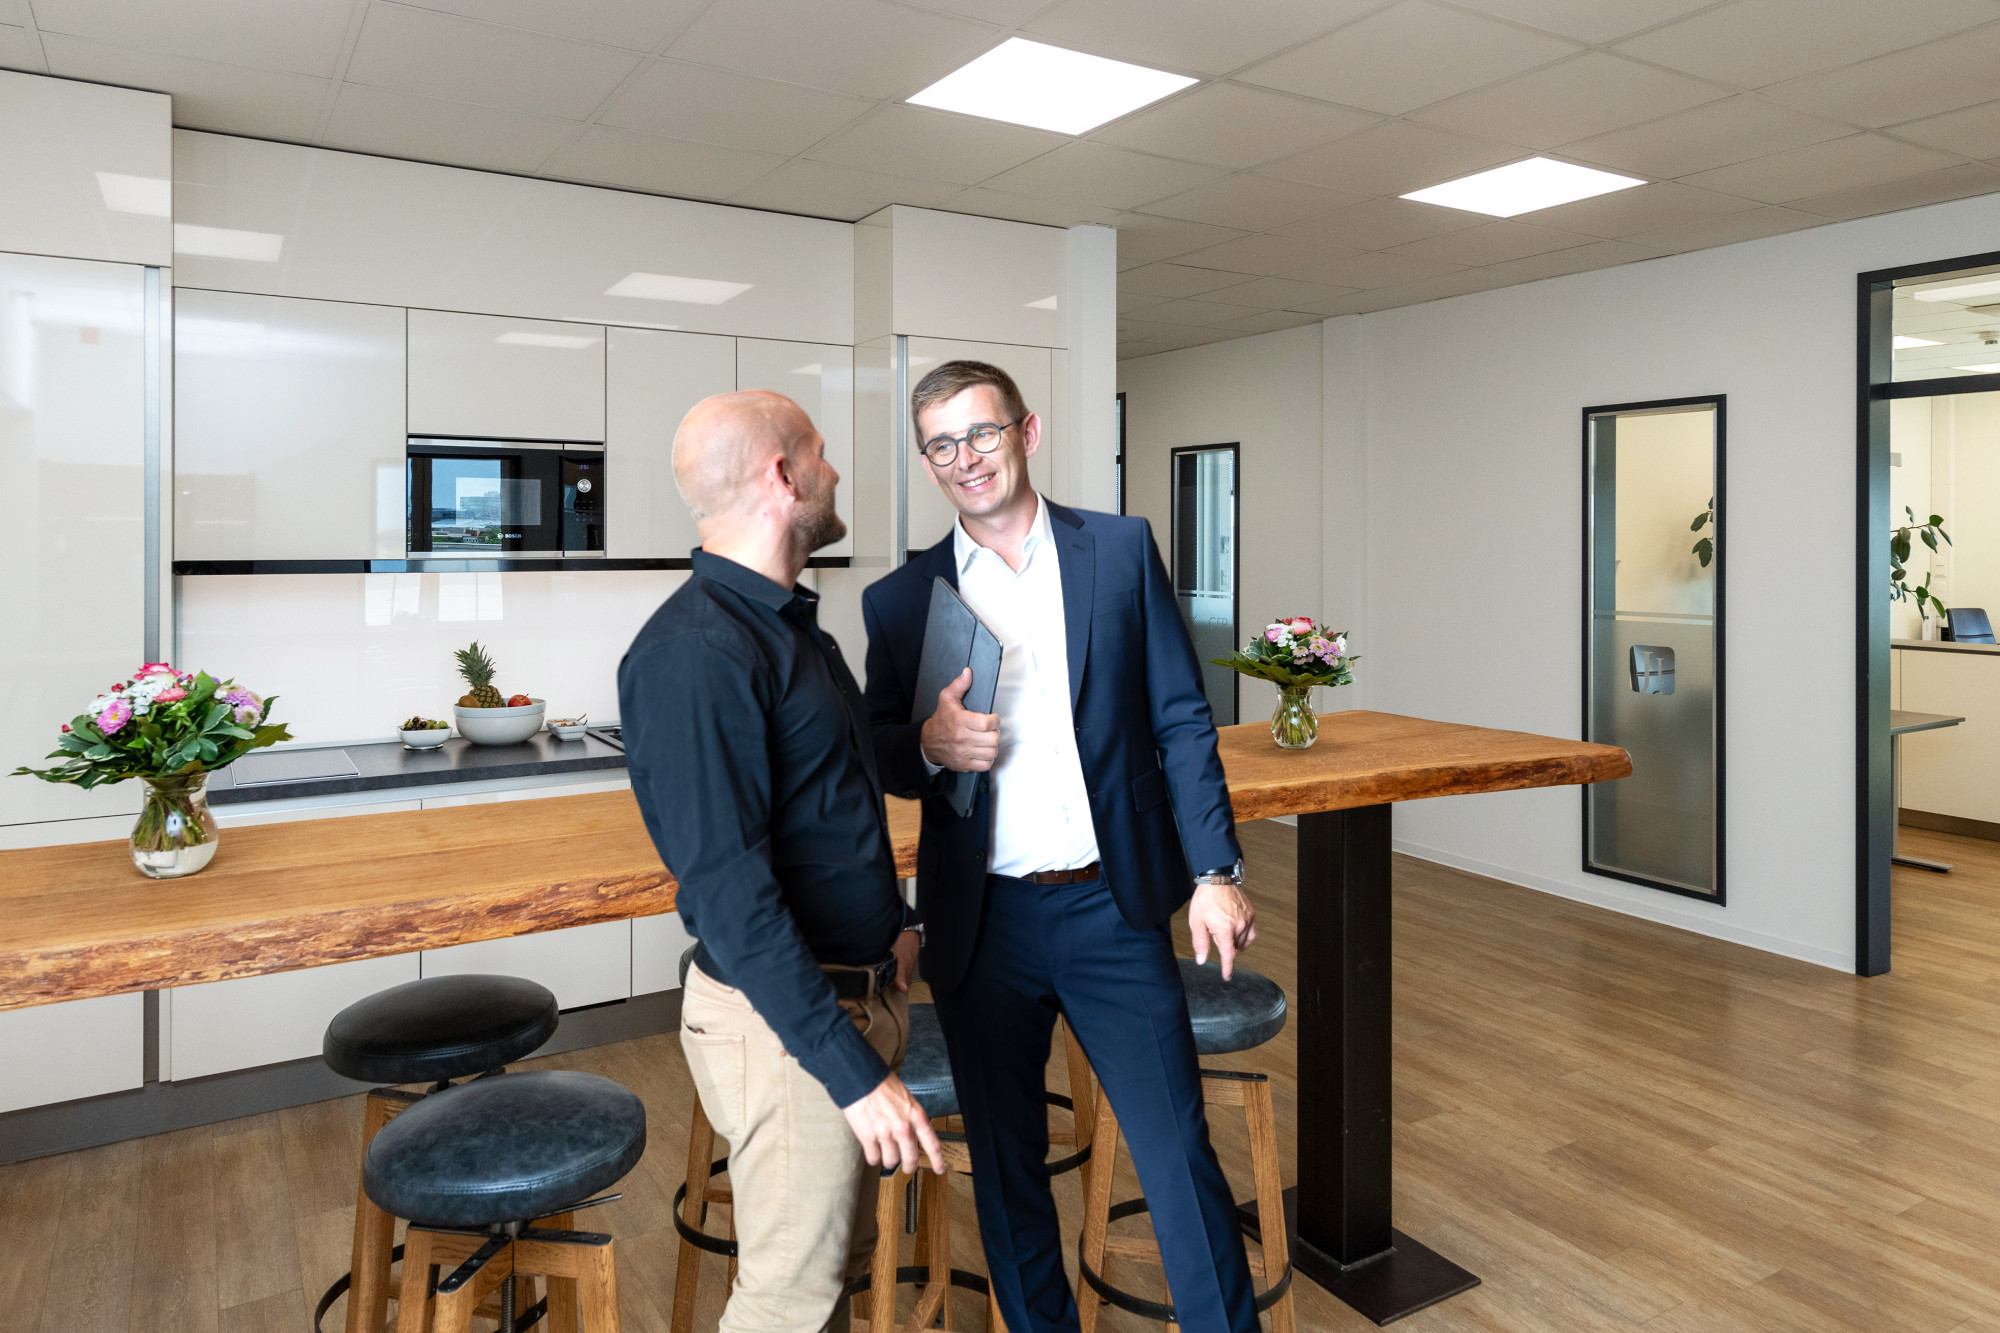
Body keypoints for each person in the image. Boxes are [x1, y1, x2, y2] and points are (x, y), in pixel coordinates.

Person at [861, 361, 1261, 1332]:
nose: (964, 458)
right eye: (941, 444)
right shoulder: (900, 598)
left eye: (981, 433)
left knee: (1177, 1158)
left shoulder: (1116, 552)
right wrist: (926, 742)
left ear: (1026, 432)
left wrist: (1214, 871)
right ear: (927, 461)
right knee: (1008, 1174)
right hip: (981, 924)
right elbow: (876, 751)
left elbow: (1180, 716)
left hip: (1109, 908)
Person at [619, 389, 943, 1333]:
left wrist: (896, 925)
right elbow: (731, 897)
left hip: (850, 992)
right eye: (821, 453)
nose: (834, 471)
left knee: (827, 1278)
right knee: (788, 1306)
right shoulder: (696, 650)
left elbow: (832, 802)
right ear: (783, 475)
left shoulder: (789, 625)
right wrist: (850, 1069)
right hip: (787, 1024)